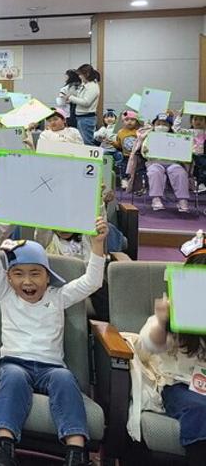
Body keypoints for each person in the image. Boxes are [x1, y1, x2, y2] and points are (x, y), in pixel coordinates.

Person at [0, 193, 108, 466]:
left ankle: (76, 452)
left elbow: (92, 281)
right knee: (13, 378)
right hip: (14, 361)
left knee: (65, 380)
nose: (27, 281)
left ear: (48, 276)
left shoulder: (58, 296)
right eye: (18, 274)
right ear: (8, 278)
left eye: (35, 273)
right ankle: (5, 448)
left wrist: (98, 244)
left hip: (52, 367)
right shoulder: (6, 294)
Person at [137, 232, 206, 465]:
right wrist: (162, 322)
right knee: (200, 409)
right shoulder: (175, 313)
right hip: (181, 386)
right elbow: (148, 344)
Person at [141, 114, 191, 213]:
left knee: (180, 173)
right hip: (154, 162)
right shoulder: (150, 137)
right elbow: (143, 152)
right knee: (155, 172)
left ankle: (182, 200)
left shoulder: (176, 137)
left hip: (173, 163)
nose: (161, 126)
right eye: (158, 124)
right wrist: (145, 151)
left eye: (164, 124)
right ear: (154, 125)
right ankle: (156, 199)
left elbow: (182, 150)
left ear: (169, 126)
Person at [68, 64, 101, 146]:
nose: (79, 77)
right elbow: (81, 98)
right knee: (82, 142)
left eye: (80, 74)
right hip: (81, 117)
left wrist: (71, 98)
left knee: (87, 143)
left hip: (86, 118)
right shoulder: (86, 84)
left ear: (87, 74)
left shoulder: (92, 86)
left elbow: (86, 102)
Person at [93, 109, 121, 181]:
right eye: (106, 117)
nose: (109, 119)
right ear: (104, 119)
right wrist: (100, 136)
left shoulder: (118, 129)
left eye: (111, 117)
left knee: (120, 156)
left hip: (115, 150)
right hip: (106, 149)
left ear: (116, 119)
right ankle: (103, 172)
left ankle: (118, 172)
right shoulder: (103, 129)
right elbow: (96, 135)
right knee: (103, 155)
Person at [115, 110, 141, 189]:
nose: (129, 122)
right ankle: (124, 182)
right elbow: (119, 145)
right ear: (123, 121)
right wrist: (113, 143)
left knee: (137, 170)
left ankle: (137, 184)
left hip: (137, 156)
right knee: (123, 168)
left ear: (136, 121)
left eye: (132, 120)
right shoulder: (120, 132)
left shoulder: (138, 132)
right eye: (126, 120)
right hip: (126, 156)